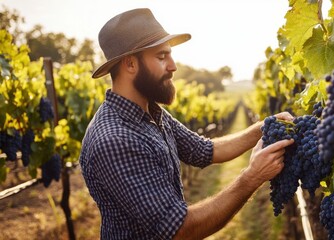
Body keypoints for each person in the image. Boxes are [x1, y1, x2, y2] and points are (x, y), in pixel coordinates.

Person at [79, 8, 294, 240]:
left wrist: (264, 127)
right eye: (161, 57)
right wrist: (252, 176)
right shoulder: (114, 140)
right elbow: (180, 229)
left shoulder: (151, 112)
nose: (173, 66)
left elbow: (203, 150)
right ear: (130, 64)